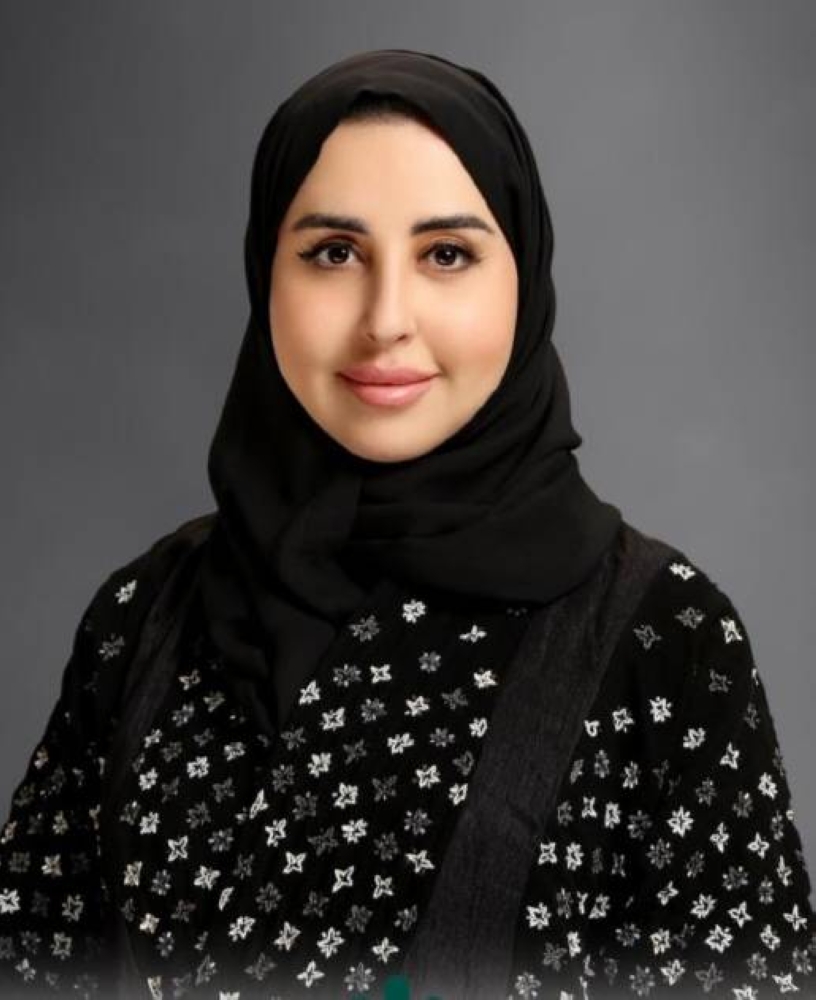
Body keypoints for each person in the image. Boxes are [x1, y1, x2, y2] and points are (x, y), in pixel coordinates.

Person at [0, 47, 813, 1000]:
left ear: (525, 276)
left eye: (446, 255)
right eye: (334, 253)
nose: (385, 319)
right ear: (267, 274)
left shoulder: (663, 641)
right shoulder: (142, 618)